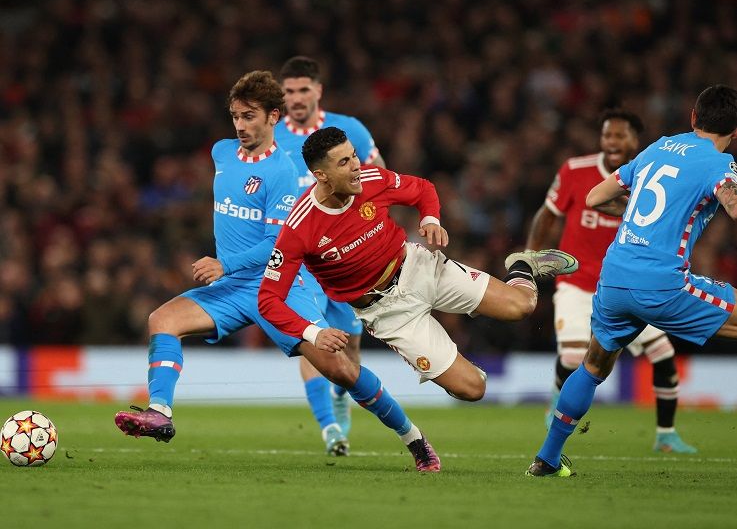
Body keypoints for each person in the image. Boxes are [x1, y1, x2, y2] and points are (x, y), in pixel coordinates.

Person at [114, 71, 440, 472]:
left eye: (249, 116)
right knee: (162, 319)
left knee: (340, 370)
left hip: (277, 286)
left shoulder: (283, 172)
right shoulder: (221, 152)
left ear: (273, 117)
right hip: (232, 288)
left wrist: (225, 263)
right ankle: (160, 413)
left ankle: (414, 438)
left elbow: (276, 243)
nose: (239, 125)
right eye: (235, 115)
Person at [258, 126, 579, 412]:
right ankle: (449, 364)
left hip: (417, 267)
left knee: (522, 306)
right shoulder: (299, 228)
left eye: (354, 156)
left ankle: (521, 265)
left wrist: (430, 219)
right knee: (472, 389)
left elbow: (422, 189)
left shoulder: (372, 179)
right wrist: (315, 333)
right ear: (321, 175)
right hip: (387, 313)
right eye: (344, 163)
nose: (357, 166)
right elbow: (268, 300)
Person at [526, 84, 737, 477]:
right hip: (662, 284)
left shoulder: (658, 147)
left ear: (693, 117)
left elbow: (593, 198)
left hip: (614, 279)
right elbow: (732, 203)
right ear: (735, 133)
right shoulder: (720, 165)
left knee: (592, 366)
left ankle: (547, 458)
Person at [273, 56, 386, 455]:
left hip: (345, 261)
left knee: (349, 351)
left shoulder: (348, 130)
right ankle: (330, 430)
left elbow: (378, 178)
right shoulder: (272, 139)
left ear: (318, 90)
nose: (296, 98)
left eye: (304, 90)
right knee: (314, 339)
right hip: (300, 262)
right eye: (289, 92)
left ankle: (341, 398)